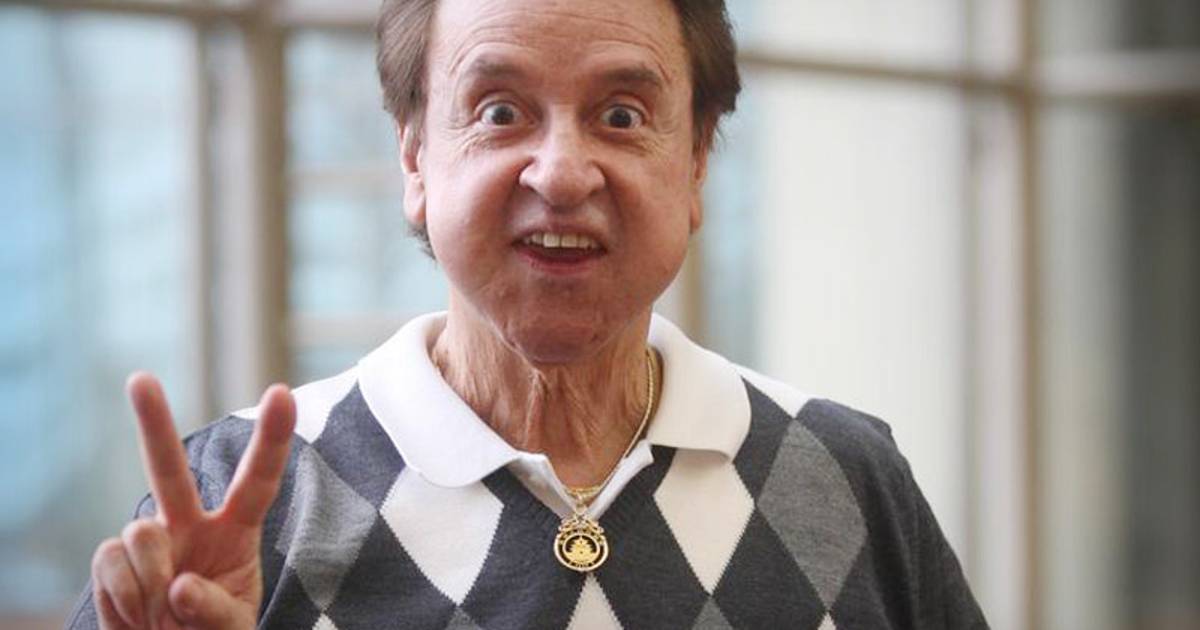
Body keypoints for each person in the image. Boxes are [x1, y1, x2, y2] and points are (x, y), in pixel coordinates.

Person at [68, 0, 989, 628]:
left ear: (698, 162)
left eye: (621, 116)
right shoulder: (245, 503)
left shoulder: (842, 476)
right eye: (501, 110)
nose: (562, 173)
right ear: (414, 157)